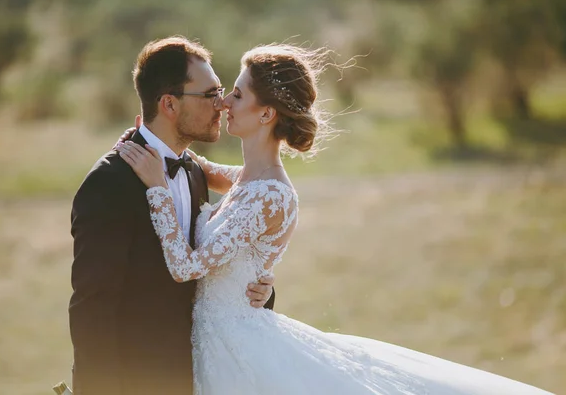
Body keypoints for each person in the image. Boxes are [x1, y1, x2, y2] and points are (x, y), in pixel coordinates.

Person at [117, 43, 554, 394]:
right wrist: (153, 138)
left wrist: (157, 188)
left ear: (266, 114)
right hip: (209, 342)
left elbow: (186, 266)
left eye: (237, 93)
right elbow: (201, 169)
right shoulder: (249, 182)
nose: (225, 103)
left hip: (236, 349)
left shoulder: (268, 194)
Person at [69, 36, 275, 395]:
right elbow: (92, 309)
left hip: (198, 374)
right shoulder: (109, 183)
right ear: (169, 104)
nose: (222, 104)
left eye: (223, 91)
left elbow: (204, 267)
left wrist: (257, 288)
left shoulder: (194, 172)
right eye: (210, 94)